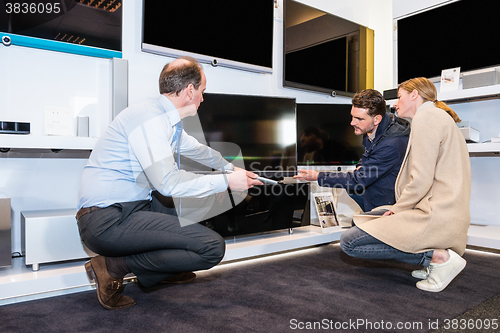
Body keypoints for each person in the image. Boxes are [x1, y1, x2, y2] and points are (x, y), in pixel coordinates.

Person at [76, 56, 262, 310]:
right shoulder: (149, 119)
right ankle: (111, 267)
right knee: (211, 247)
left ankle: (164, 268)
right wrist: (227, 182)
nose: (203, 99)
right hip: (106, 220)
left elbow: (197, 150)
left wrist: (230, 168)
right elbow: (168, 183)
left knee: (171, 199)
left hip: (131, 209)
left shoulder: (167, 121)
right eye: (202, 92)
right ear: (189, 91)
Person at [340, 77, 471, 292]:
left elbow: (420, 180)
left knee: (349, 242)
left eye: (399, 97)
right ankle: (433, 259)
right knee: (363, 221)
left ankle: (438, 258)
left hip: (435, 213)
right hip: (437, 208)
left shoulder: (427, 118)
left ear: (414, 95)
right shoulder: (436, 117)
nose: (395, 104)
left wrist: (396, 211)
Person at [294, 89, 410, 212]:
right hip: (373, 196)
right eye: (352, 116)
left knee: (352, 230)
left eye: (359, 119)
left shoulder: (390, 144)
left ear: (377, 119)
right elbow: (366, 156)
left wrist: (318, 176)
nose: (352, 122)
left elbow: (357, 180)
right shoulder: (374, 128)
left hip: (386, 206)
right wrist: (361, 167)